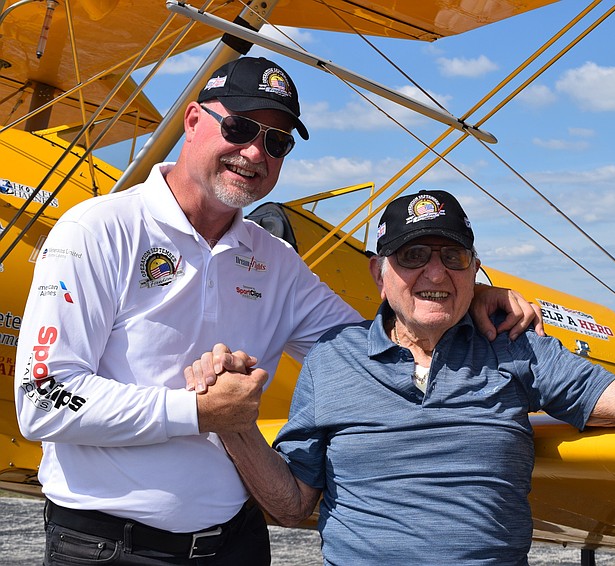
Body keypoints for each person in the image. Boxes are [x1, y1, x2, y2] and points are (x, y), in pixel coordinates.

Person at [13, 58, 539, 566]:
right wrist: (198, 411)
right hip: (109, 548)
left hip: (236, 544)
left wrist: (468, 302)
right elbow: (41, 400)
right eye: (241, 127)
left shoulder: (273, 262)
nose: (255, 152)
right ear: (194, 120)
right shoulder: (100, 229)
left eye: (277, 141)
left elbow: (371, 345)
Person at [192, 189, 615, 566]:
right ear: (377, 270)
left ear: (476, 267)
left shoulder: (515, 345)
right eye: (413, 256)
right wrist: (235, 429)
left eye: (453, 256)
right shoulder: (332, 360)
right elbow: (293, 506)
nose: (434, 272)